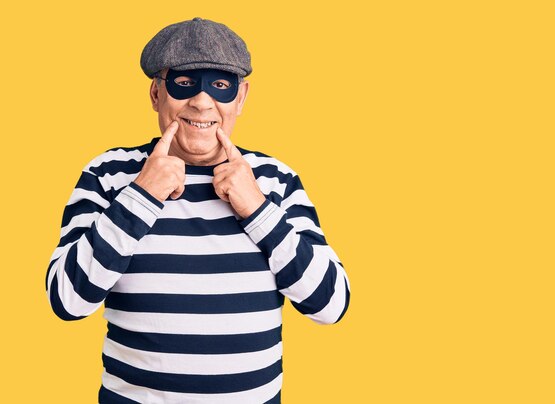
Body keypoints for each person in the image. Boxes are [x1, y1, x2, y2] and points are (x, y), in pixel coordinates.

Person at [45, 17, 350, 404]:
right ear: (156, 94)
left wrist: (257, 209)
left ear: (241, 98)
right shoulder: (108, 175)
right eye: (184, 84)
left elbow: (330, 304)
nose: (202, 101)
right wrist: (141, 195)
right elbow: (67, 300)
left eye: (220, 86)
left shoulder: (275, 180)